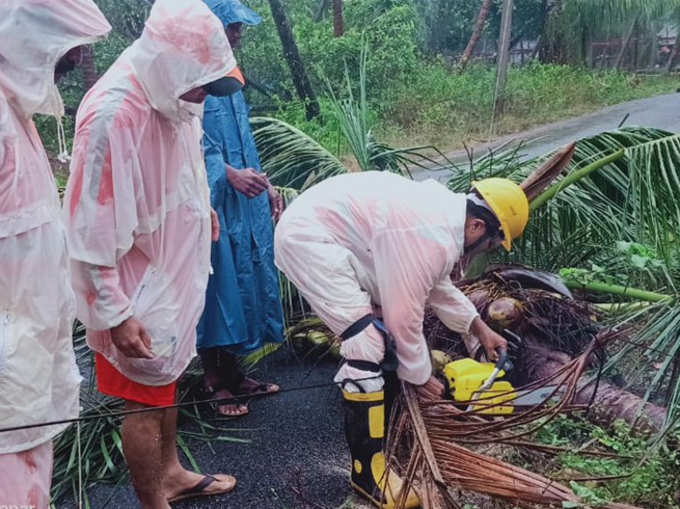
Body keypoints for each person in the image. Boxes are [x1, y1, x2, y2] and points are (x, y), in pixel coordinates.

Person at [63, 1, 244, 507]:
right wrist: (116, 313)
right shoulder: (111, 116)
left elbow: (184, 158)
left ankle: (171, 473)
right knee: (141, 399)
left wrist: (201, 208)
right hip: (133, 287)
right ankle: (152, 499)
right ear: (172, 65)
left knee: (168, 379)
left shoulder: (178, 90)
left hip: (171, 275)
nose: (205, 95)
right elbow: (87, 231)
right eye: (202, 83)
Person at [274, 172, 530, 508]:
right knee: (366, 342)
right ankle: (367, 475)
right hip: (310, 241)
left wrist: (479, 328)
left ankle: (383, 429)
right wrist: (422, 378)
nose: (487, 252)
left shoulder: (439, 220)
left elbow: (437, 286)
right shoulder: (428, 234)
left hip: (336, 238)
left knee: (382, 339)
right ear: (478, 227)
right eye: (493, 244)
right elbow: (404, 319)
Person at [0, 1, 111, 507]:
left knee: (29, 468)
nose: (73, 59)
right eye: (63, 49)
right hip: (8, 351)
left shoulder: (13, 113)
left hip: (28, 344)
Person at [197, 0, 285, 418]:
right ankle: (214, 382)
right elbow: (186, 141)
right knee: (216, 286)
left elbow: (245, 142)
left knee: (245, 278)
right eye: (231, 26)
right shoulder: (190, 75)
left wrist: (265, 184)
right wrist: (226, 173)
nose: (238, 34)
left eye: (238, 27)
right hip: (211, 201)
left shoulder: (231, 76)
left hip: (244, 200)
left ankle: (235, 374)